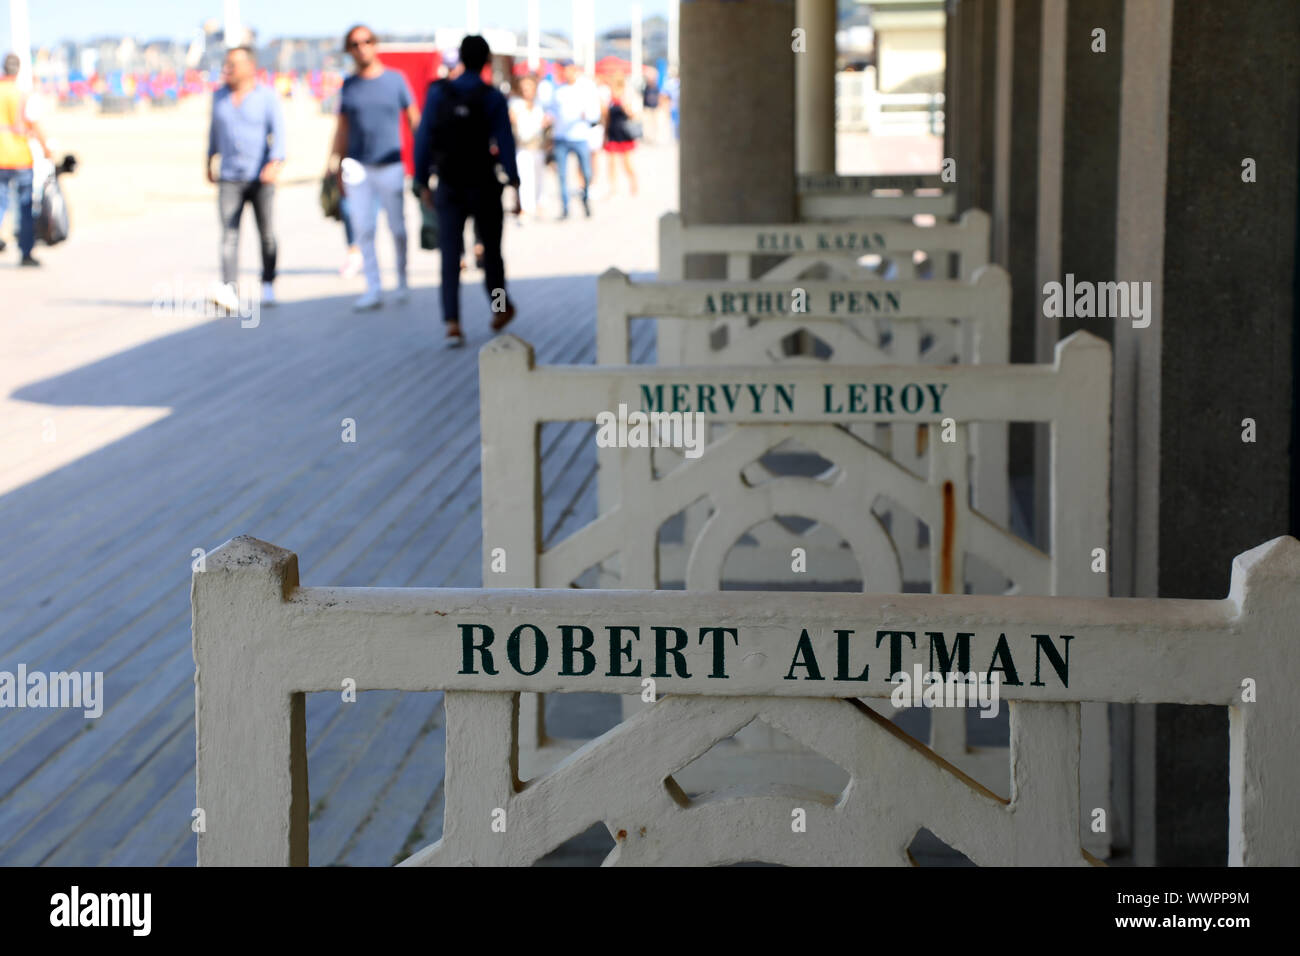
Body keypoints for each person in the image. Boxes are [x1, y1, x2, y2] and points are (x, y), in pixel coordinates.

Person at [413, 34, 520, 349]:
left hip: (449, 184)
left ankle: (452, 323)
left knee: (450, 255)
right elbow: (506, 144)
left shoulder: (438, 93)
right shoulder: (492, 97)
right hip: (485, 185)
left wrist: (421, 182)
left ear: (460, 57)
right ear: (487, 61)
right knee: (492, 254)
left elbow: (423, 139)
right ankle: (499, 309)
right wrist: (514, 182)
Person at [330, 24, 420, 311]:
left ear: (375, 44)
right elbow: (342, 128)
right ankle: (373, 287)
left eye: (366, 41)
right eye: (355, 44)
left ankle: (402, 280)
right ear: (349, 50)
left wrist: (427, 158)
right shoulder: (349, 85)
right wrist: (334, 164)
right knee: (364, 229)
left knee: (398, 229)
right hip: (357, 165)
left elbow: (414, 121)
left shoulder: (396, 80)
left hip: (391, 164)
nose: (361, 48)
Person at [207, 46, 284, 310]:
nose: (228, 69)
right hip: (229, 176)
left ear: (250, 67)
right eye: (226, 64)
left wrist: (275, 162)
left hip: (260, 177)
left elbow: (279, 134)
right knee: (229, 234)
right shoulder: (219, 97)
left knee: (267, 234)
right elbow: (213, 131)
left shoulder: (267, 97)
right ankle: (229, 289)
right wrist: (209, 159)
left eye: (233, 65)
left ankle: (268, 283)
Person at [0, 52, 52, 267]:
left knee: (1, 203)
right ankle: (26, 252)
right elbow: (34, 124)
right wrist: (46, 148)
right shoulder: (23, 95)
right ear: (18, 70)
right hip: (20, 157)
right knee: (24, 206)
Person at [544, 60, 600, 219]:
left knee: (587, 172)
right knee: (562, 174)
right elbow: (552, 110)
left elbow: (595, 113)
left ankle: (585, 197)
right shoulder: (558, 90)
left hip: (580, 136)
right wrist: (549, 118)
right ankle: (565, 207)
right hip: (561, 137)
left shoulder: (586, 89)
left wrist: (586, 116)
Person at [508, 74, 547, 220]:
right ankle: (526, 207)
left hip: (538, 145)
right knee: (524, 177)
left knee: (538, 177)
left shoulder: (539, 104)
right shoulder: (515, 103)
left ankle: (538, 203)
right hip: (522, 146)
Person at [601, 74, 638, 197]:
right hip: (612, 132)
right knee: (611, 163)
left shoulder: (625, 97)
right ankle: (613, 187)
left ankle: (633, 185)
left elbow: (632, 115)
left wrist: (624, 106)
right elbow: (607, 118)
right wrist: (605, 134)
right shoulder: (609, 99)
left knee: (627, 163)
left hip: (623, 133)